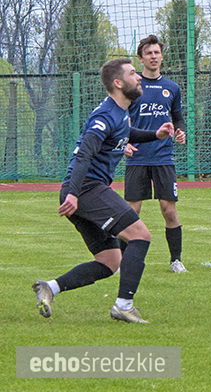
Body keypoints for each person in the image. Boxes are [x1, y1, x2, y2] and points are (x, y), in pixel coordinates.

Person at [32, 58, 173, 323]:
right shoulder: (105, 115)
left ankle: (49, 287)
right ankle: (123, 305)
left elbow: (125, 133)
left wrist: (155, 135)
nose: (139, 77)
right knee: (140, 236)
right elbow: (84, 154)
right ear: (118, 83)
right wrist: (73, 193)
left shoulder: (119, 112)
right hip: (86, 188)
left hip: (83, 190)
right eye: (133, 73)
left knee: (110, 261)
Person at [123, 34, 188, 273]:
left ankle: (176, 260)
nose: (153, 56)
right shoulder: (132, 86)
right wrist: (123, 144)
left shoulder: (172, 88)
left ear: (162, 56)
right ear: (140, 58)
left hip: (163, 157)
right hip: (137, 157)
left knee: (168, 209)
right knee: (131, 211)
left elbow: (178, 118)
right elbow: (120, 119)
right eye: (148, 53)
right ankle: (121, 260)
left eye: (157, 52)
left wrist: (181, 132)